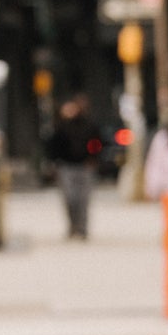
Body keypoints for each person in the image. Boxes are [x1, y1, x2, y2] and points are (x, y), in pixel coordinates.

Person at [46, 97, 99, 239]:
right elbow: (52, 147)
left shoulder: (88, 125)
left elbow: (96, 142)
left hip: (84, 165)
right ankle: (72, 226)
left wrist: (93, 158)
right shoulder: (59, 127)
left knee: (83, 199)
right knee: (69, 198)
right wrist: (54, 163)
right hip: (66, 166)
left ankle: (82, 228)